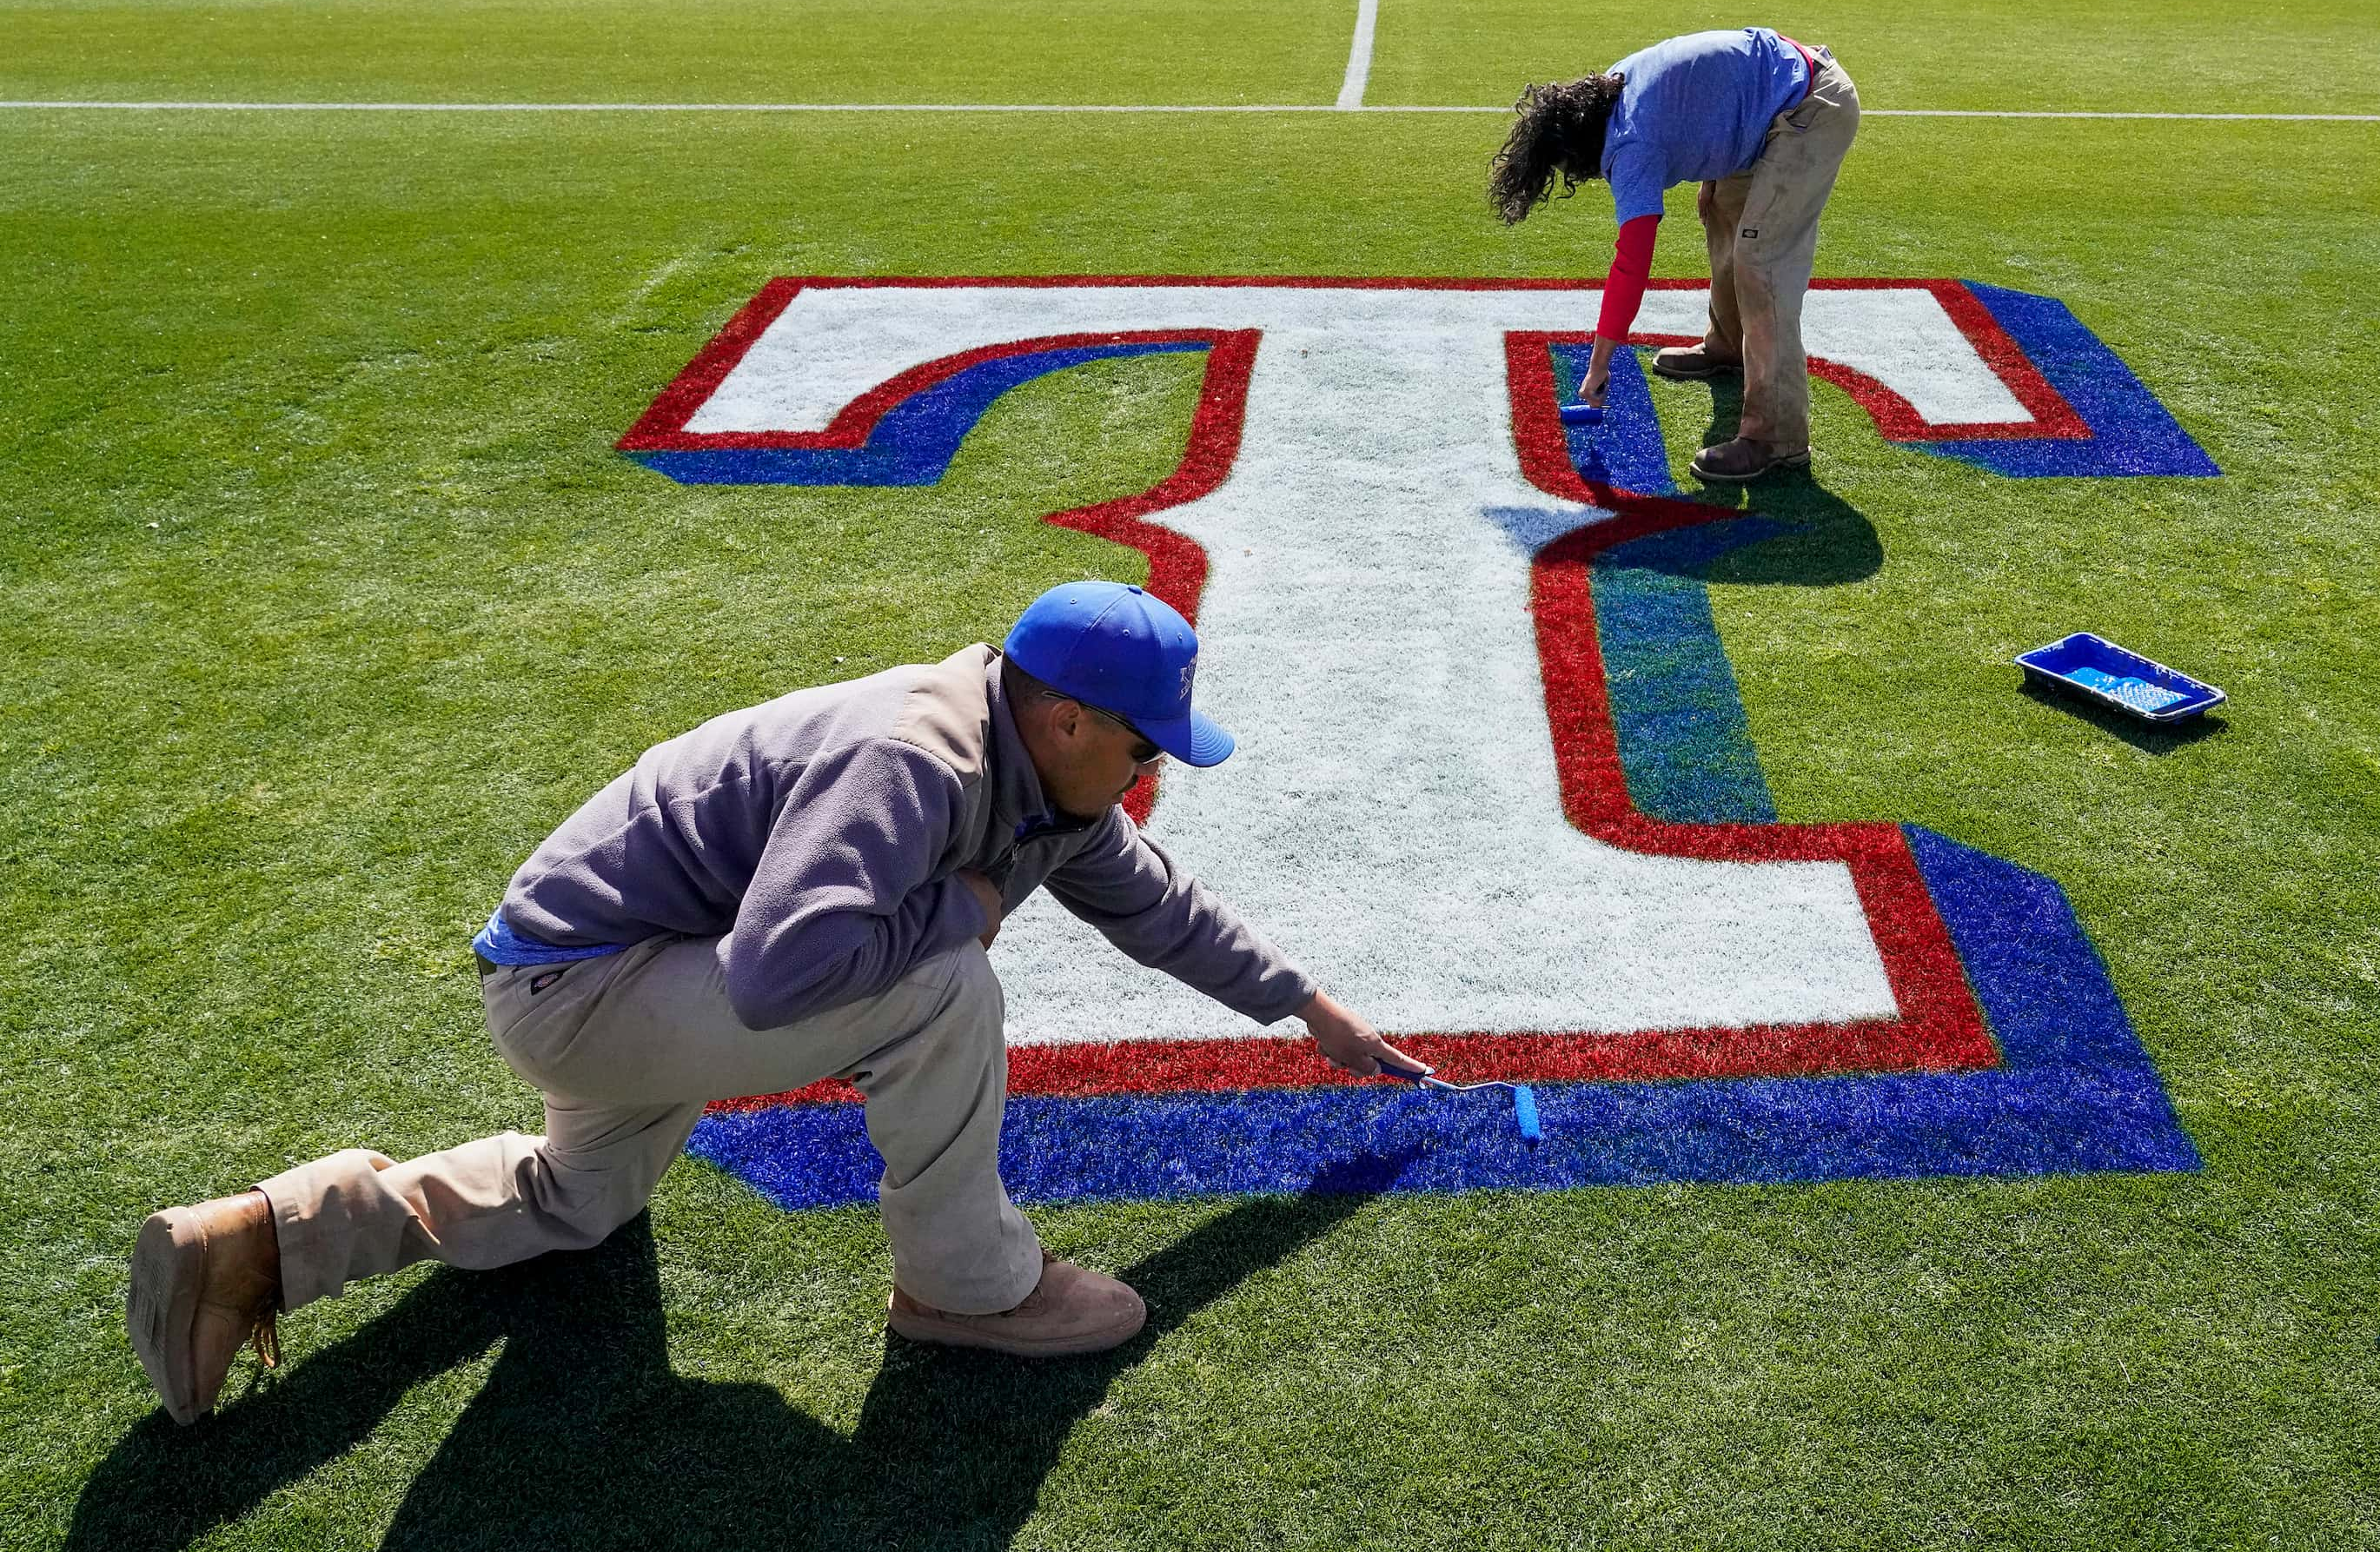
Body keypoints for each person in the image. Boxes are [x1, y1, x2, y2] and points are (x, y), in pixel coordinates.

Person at [127, 580, 1425, 1424]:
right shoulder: (913, 752)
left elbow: (1153, 902)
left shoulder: (1044, 777)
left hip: (623, 982)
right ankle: (964, 1286)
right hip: (585, 982)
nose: (1152, 776)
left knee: (578, 1203)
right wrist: (958, 914)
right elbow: (777, 972)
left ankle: (263, 1238)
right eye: (1144, 747)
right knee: (938, 982)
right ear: (1071, 720)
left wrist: (1306, 1008)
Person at [1489, 27, 1861, 483]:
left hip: (1808, 109)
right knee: (1722, 210)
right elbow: (1700, 99)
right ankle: (1728, 346)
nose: (1583, 178)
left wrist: (1599, 366)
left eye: (1571, 171)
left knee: (1761, 260)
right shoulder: (1613, 89)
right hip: (1772, 98)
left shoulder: (1631, 144)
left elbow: (1631, 262)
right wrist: (1715, 168)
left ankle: (1777, 439)